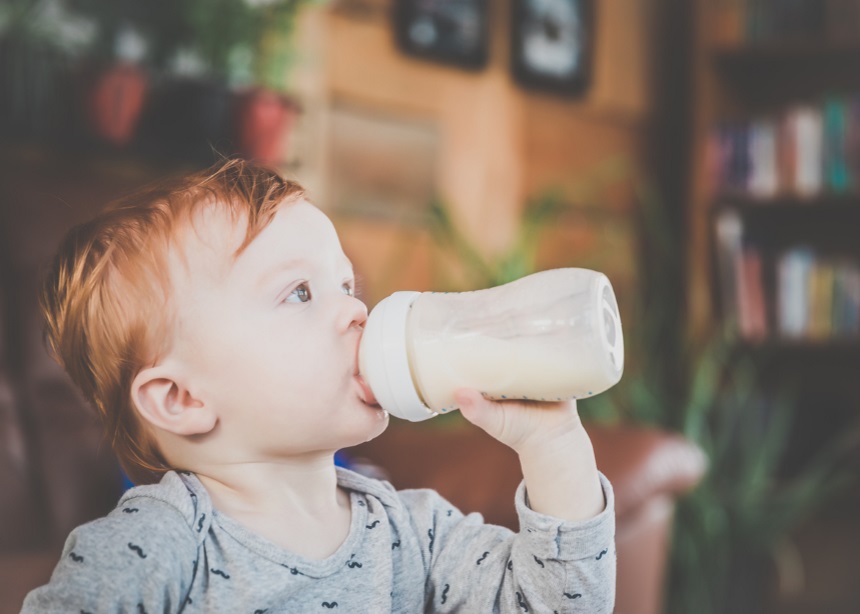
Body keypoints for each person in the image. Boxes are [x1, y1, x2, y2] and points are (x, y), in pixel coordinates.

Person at [22, 158, 616, 613]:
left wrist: (554, 444)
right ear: (183, 398)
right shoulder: (154, 546)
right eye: (299, 293)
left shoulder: (415, 530)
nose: (357, 312)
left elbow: (558, 603)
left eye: (347, 285)